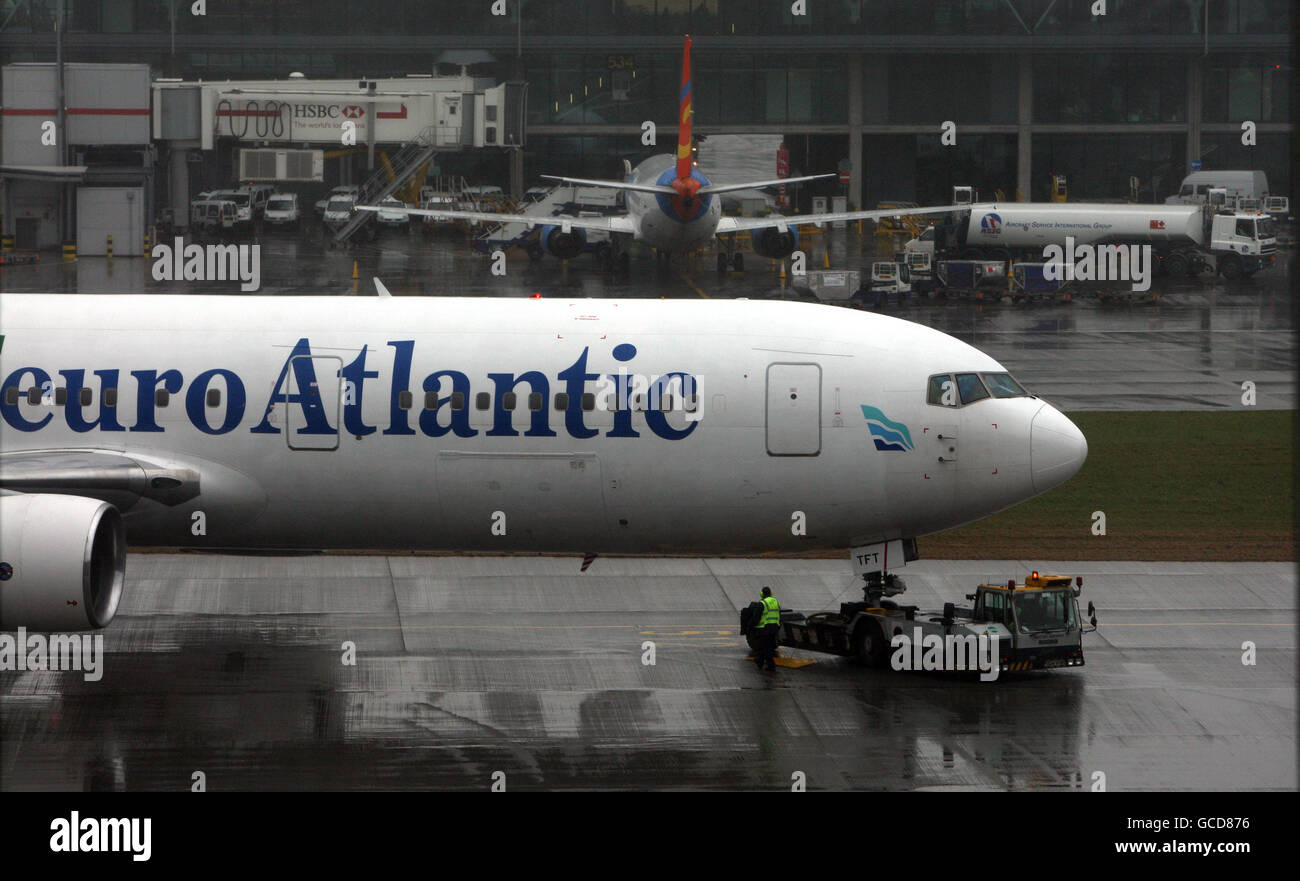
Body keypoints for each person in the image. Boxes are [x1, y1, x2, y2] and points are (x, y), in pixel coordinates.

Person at [755, 586, 781, 672]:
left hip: (765, 628)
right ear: (771, 593)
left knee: (766, 648)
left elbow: (757, 617)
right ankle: (760, 662)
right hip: (775, 628)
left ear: (762, 594)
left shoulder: (762, 603)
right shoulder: (776, 601)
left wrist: (751, 625)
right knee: (766, 646)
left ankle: (771, 665)